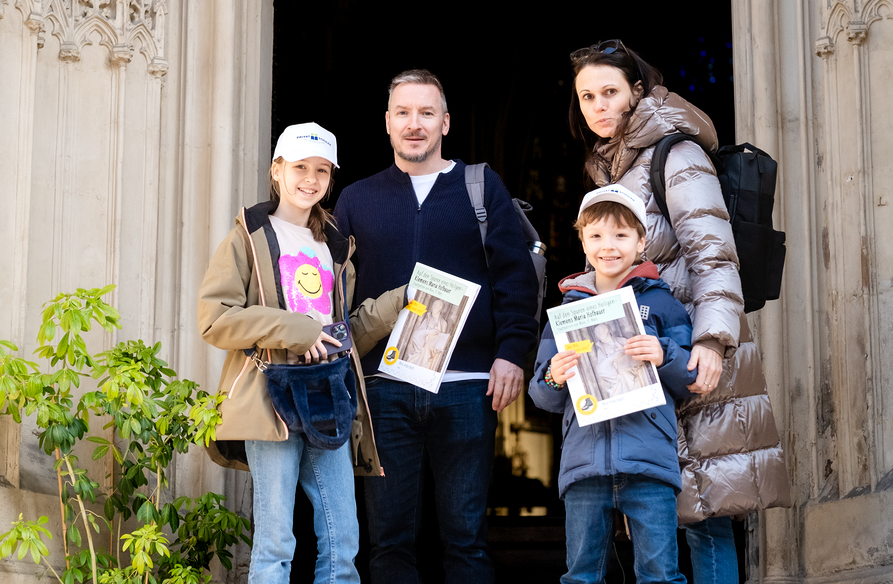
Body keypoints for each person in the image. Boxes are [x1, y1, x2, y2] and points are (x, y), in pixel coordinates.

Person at [569, 39, 791, 584]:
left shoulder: (675, 154)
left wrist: (712, 342)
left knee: (706, 512)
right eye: (587, 97)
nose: (598, 106)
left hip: (689, 348)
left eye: (609, 92)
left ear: (636, 91)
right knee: (681, 504)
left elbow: (713, 254)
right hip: (652, 355)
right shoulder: (615, 166)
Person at [333, 69, 539, 584]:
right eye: (403, 112)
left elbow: (515, 278)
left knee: (467, 543)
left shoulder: (481, 188)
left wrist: (511, 354)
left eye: (426, 113)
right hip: (383, 387)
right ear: (387, 122)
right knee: (388, 542)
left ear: (444, 122)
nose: (414, 124)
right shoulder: (356, 199)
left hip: (467, 387)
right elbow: (332, 293)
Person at [197, 122, 406, 584]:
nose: (310, 179)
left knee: (343, 541)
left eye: (322, 170)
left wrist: (401, 302)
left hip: (328, 396)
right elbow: (216, 319)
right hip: (268, 396)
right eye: (299, 167)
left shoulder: (334, 244)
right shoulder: (248, 236)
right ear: (277, 170)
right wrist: (296, 330)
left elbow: (342, 334)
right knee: (275, 543)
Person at [529, 184, 696, 584]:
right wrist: (554, 376)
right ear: (583, 243)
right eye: (597, 235)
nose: (608, 246)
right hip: (584, 465)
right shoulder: (568, 309)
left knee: (660, 575)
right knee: (582, 576)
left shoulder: (662, 303)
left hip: (649, 462)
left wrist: (664, 354)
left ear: (641, 242)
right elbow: (540, 394)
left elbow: (691, 376)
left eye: (621, 235)